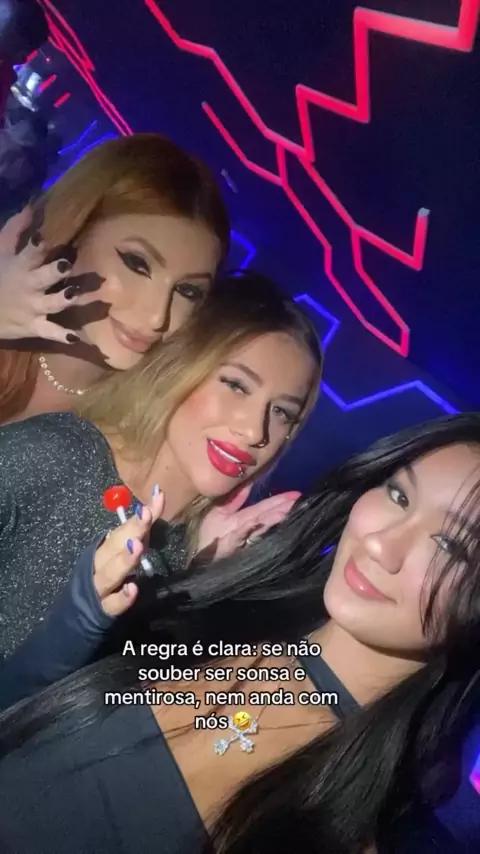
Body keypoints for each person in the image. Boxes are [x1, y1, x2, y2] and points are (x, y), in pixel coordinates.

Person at [0, 412, 478, 853]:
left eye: (451, 547)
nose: (379, 544)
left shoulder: (347, 824)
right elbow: (17, 710)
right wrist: (84, 614)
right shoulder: (223, 609)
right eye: (399, 496)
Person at [0, 272, 322, 655]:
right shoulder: (50, 456)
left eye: (282, 412)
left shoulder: (220, 556)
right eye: (236, 385)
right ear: (180, 363)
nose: (255, 431)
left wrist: (202, 582)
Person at [0, 132, 230, 422]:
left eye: (188, 291)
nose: (157, 318)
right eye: (137, 263)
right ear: (76, 232)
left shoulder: (142, 425)